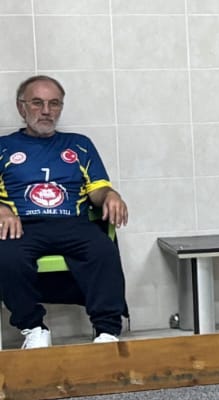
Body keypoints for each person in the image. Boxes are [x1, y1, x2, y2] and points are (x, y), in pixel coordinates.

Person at [0, 75, 129, 348]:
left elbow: (98, 189)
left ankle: (107, 331)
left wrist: (111, 195)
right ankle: (34, 328)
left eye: (54, 103)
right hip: (22, 225)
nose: (46, 111)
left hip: (72, 222)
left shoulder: (80, 144)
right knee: (8, 257)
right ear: (21, 107)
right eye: (37, 103)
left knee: (103, 251)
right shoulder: (3, 147)